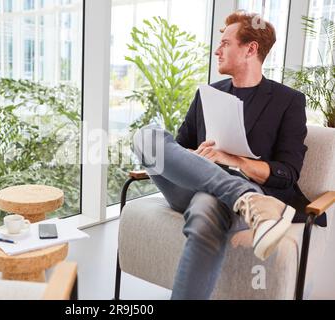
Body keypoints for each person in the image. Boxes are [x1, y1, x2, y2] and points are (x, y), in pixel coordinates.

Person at [133, 11, 326, 300]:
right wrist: (196, 156)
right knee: (145, 137)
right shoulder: (207, 93)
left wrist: (232, 160)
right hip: (191, 184)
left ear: (251, 49)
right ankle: (247, 198)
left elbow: (287, 173)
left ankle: (243, 196)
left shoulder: (288, 101)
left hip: (220, 196)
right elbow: (178, 147)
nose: (217, 50)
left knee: (206, 212)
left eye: (225, 43)